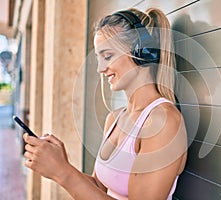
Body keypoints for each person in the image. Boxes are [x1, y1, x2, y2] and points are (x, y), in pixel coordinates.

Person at [23, 8, 187, 200]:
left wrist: (63, 172)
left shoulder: (163, 122)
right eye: (98, 59)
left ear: (141, 52)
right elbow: (100, 190)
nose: (101, 69)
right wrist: (59, 164)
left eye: (107, 56)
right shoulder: (115, 119)